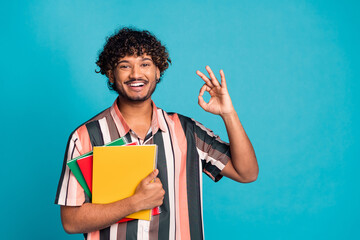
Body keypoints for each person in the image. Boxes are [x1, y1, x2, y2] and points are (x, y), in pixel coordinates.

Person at [55, 27, 258, 240]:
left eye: (145, 64)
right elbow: (70, 221)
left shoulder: (188, 131)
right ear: (110, 74)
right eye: (125, 66)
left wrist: (228, 114)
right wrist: (134, 203)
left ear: (158, 71)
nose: (136, 74)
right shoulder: (86, 136)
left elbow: (247, 173)